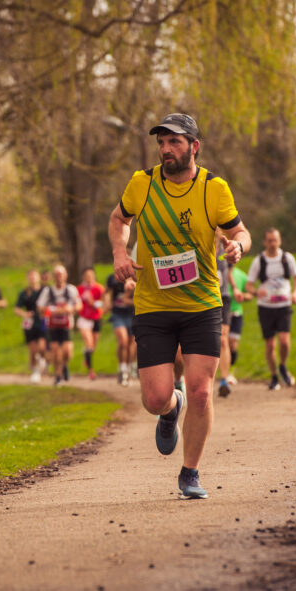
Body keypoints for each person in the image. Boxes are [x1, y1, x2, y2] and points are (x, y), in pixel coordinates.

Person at [108, 113, 251, 499]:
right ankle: (172, 410)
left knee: (202, 391)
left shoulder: (213, 189)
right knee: (154, 397)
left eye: (174, 142)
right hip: (153, 304)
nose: (166, 149)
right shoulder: (143, 183)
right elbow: (119, 218)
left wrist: (238, 245)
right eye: (161, 142)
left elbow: (239, 229)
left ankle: (190, 472)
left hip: (201, 303)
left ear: (194, 146)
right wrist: (120, 251)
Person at [245, 228, 296, 391]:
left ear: (280, 241)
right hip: (266, 307)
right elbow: (249, 285)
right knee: (270, 345)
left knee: (284, 342)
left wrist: (295, 293)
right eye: (269, 240)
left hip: (283, 305)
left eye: (275, 240)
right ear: (264, 242)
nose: (272, 243)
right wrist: (257, 292)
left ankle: (283, 365)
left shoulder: (287, 258)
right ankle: (273, 376)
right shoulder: (259, 261)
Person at [37, 264, 81, 387]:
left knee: (67, 352)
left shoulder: (71, 289)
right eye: (56, 275)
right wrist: (51, 310)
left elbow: (79, 305)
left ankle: (65, 365)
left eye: (60, 274)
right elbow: (40, 307)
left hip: (67, 325)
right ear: (53, 277)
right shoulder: (47, 291)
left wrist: (70, 309)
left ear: (65, 276)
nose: (58, 277)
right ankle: (58, 375)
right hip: (53, 325)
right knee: (56, 351)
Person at [15, 268, 48, 382]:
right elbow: (17, 309)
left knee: (42, 347)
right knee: (33, 350)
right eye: (30, 276)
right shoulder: (24, 293)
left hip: (42, 322)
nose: (32, 278)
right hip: (29, 323)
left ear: (39, 277)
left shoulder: (45, 290)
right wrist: (25, 314)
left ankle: (43, 364)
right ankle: (35, 371)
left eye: (34, 275)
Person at [104, 271, 136, 386]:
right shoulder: (112, 278)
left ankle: (128, 368)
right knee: (123, 341)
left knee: (131, 344)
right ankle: (122, 369)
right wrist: (106, 305)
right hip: (118, 314)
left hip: (133, 314)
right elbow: (107, 293)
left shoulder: (136, 276)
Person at [216, 230, 236, 398]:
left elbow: (229, 273)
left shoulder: (226, 249)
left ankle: (224, 380)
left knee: (223, 339)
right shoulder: (198, 246)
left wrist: (235, 288)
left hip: (223, 297)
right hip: (202, 298)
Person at [77, 267, 105, 380]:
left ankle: (86, 356)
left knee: (93, 346)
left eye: (91, 275)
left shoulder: (99, 288)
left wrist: (93, 303)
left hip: (96, 318)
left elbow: (104, 303)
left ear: (94, 276)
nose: (88, 278)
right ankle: (91, 372)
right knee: (89, 344)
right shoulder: (79, 289)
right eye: (86, 276)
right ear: (83, 277)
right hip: (84, 319)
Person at [226, 264, 250, 385]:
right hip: (220, 312)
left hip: (236, 313)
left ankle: (230, 372)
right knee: (221, 343)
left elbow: (250, 294)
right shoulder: (219, 271)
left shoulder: (242, 275)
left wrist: (242, 295)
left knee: (233, 344)